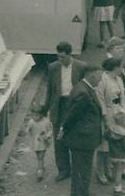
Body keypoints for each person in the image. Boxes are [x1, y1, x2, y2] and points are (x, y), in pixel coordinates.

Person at [42, 41, 86, 182]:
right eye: (58, 57)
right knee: (59, 138)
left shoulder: (81, 67)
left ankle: (78, 169)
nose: (60, 60)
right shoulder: (53, 68)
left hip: (74, 104)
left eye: (62, 57)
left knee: (75, 136)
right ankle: (63, 169)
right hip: (59, 105)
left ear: (70, 54)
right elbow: (50, 90)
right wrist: (46, 108)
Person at [59, 64, 104, 196]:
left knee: (84, 169)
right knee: (81, 170)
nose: (100, 80)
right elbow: (72, 115)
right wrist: (63, 129)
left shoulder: (83, 88)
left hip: (83, 138)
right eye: (99, 76)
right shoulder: (83, 93)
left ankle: (83, 192)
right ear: (92, 75)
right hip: (82, 139)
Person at [96, 57, 125, 185]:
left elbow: (122, 96)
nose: (122, 69)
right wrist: (105, 118)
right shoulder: (103, 80)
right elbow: (100, 100)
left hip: (118, 113)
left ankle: (108, 169)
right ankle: (100, 172)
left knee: (114, 143)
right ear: (115, 68)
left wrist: (123, 111)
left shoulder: (119, 79)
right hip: (107, 113)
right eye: (121, 66)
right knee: (104, 144)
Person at [107, 107, 125, 196]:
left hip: (112, 154)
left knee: (116, 171)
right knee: (119, 172)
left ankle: (117, 186)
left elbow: (105, 136)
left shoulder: (111, 130)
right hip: (121, 156)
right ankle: (117, 189)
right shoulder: (124, 133)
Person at [27, 106, 53, 181]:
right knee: (38, 155)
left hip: (43, 141)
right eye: (33, 115)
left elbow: (50, 131)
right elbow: (28, 129)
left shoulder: (46, 122)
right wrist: (28, 129)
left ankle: (40, 171)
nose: (35, 117)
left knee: (40, 156)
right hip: (35, 142)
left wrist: (48, 136)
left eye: (37, 115)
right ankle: (41, 166)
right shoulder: (31, 121)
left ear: (41, 115)